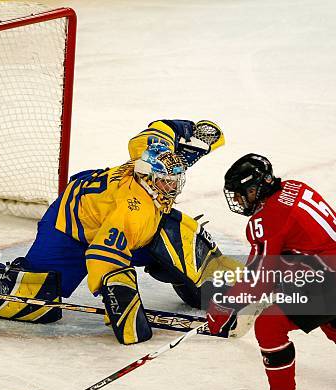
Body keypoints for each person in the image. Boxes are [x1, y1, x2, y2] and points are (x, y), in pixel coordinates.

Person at [207, 154, 336, 390]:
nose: (239, 200)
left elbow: (260, 278)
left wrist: (225, 305)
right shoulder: (293, 186)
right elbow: (301, 243)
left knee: (270, 325)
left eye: (242, 192)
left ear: (258, 187)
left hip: (335, 278)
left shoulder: (268, 218)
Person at [24, 119, 225, 344]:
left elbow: (161, 128)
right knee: (36, 297)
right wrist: (124, 312)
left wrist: (190, 130)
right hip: (68, 227)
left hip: (106, 210)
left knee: (177, 234)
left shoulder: (151, 155)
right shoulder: (132, 209)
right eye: (167, 182)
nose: (173, 187)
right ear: (149, 178)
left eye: (175, 179)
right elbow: (104, 257)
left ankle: (207, 288)